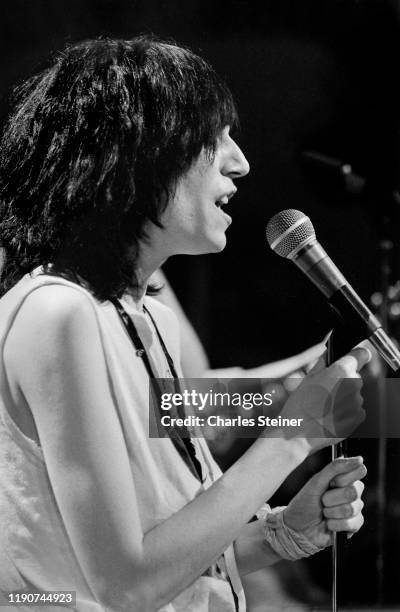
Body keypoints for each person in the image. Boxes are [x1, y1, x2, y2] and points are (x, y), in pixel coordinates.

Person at [0, 37, 369, 612]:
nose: (241, 161)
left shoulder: (148, 319)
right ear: (139, 151)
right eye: (214, 137)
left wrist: (282, 534)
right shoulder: (57, 312)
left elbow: (162, 561)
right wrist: (294, 432)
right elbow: (123, 586)